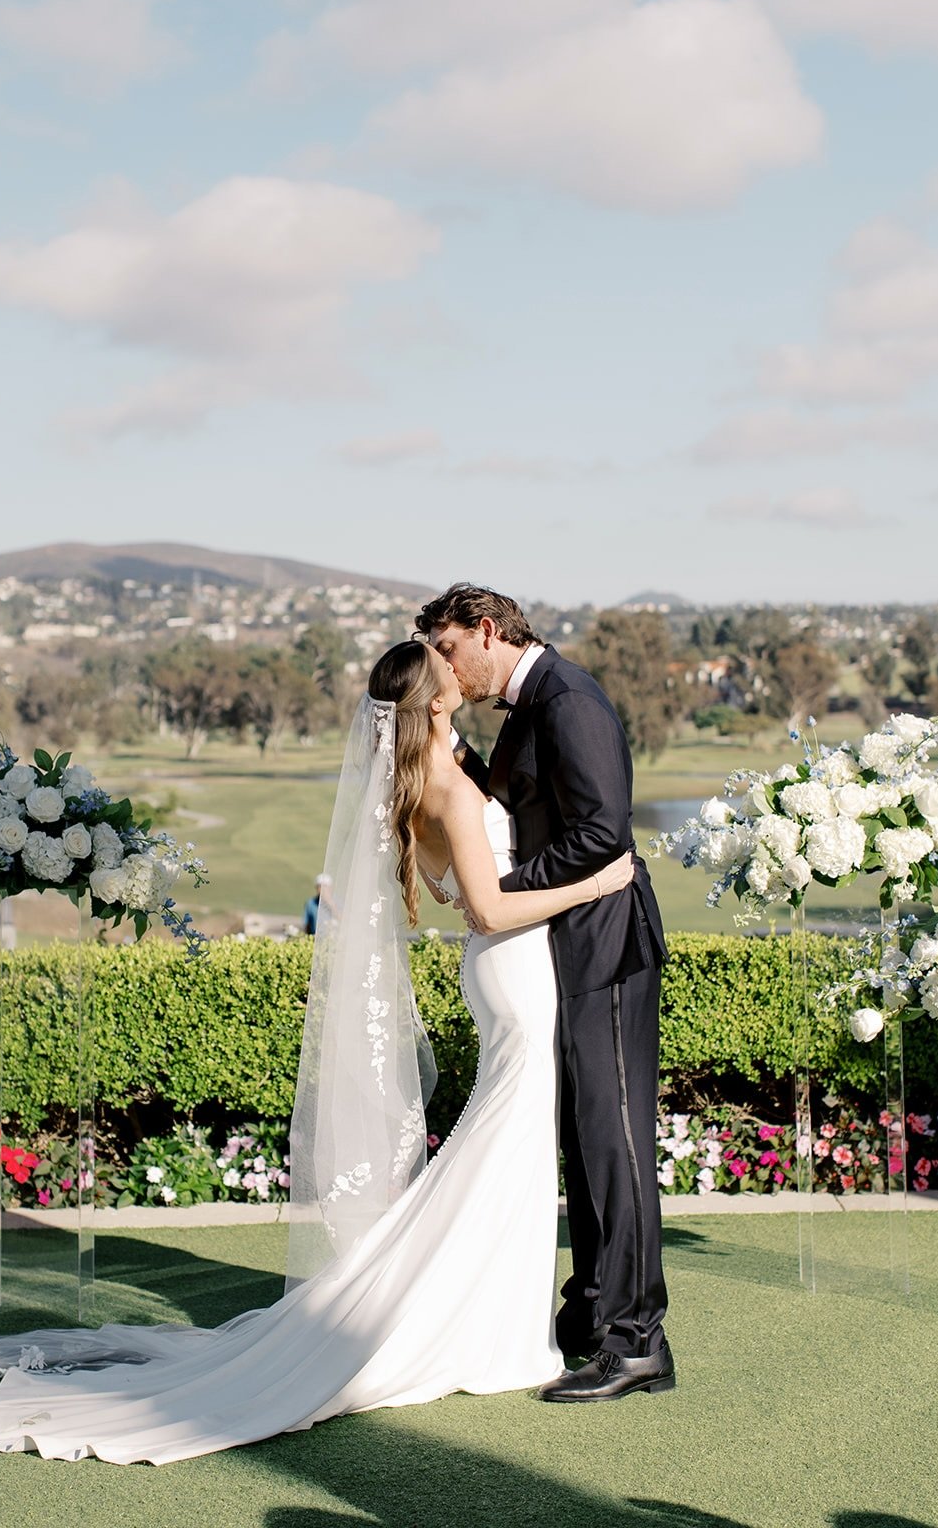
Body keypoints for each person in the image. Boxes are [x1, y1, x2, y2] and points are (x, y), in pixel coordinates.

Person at [0, 641, 636, 1464]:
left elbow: (452, 890)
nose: (457, 672)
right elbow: (488, 909)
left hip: (495, 974)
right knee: (507, 1144)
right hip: (515, 969)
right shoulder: (454, 791)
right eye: (445, 668)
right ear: (432, 703)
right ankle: (487, 1332)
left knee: (504, 1145)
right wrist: (598, 883)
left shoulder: (422, 784)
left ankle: (497, 1321)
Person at [420, 582, 673, 1402]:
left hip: (606, 946)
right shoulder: (528, 708)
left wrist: (500, 890)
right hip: (564, 946)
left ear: (486, 631)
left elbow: (603, 835)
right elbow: (514, 808)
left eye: (449, 649)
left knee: (614, 1140)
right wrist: (446, 748)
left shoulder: (568, 702)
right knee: (583, 1139)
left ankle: (638, 1342)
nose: (446, 667)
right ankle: (593, 1314)